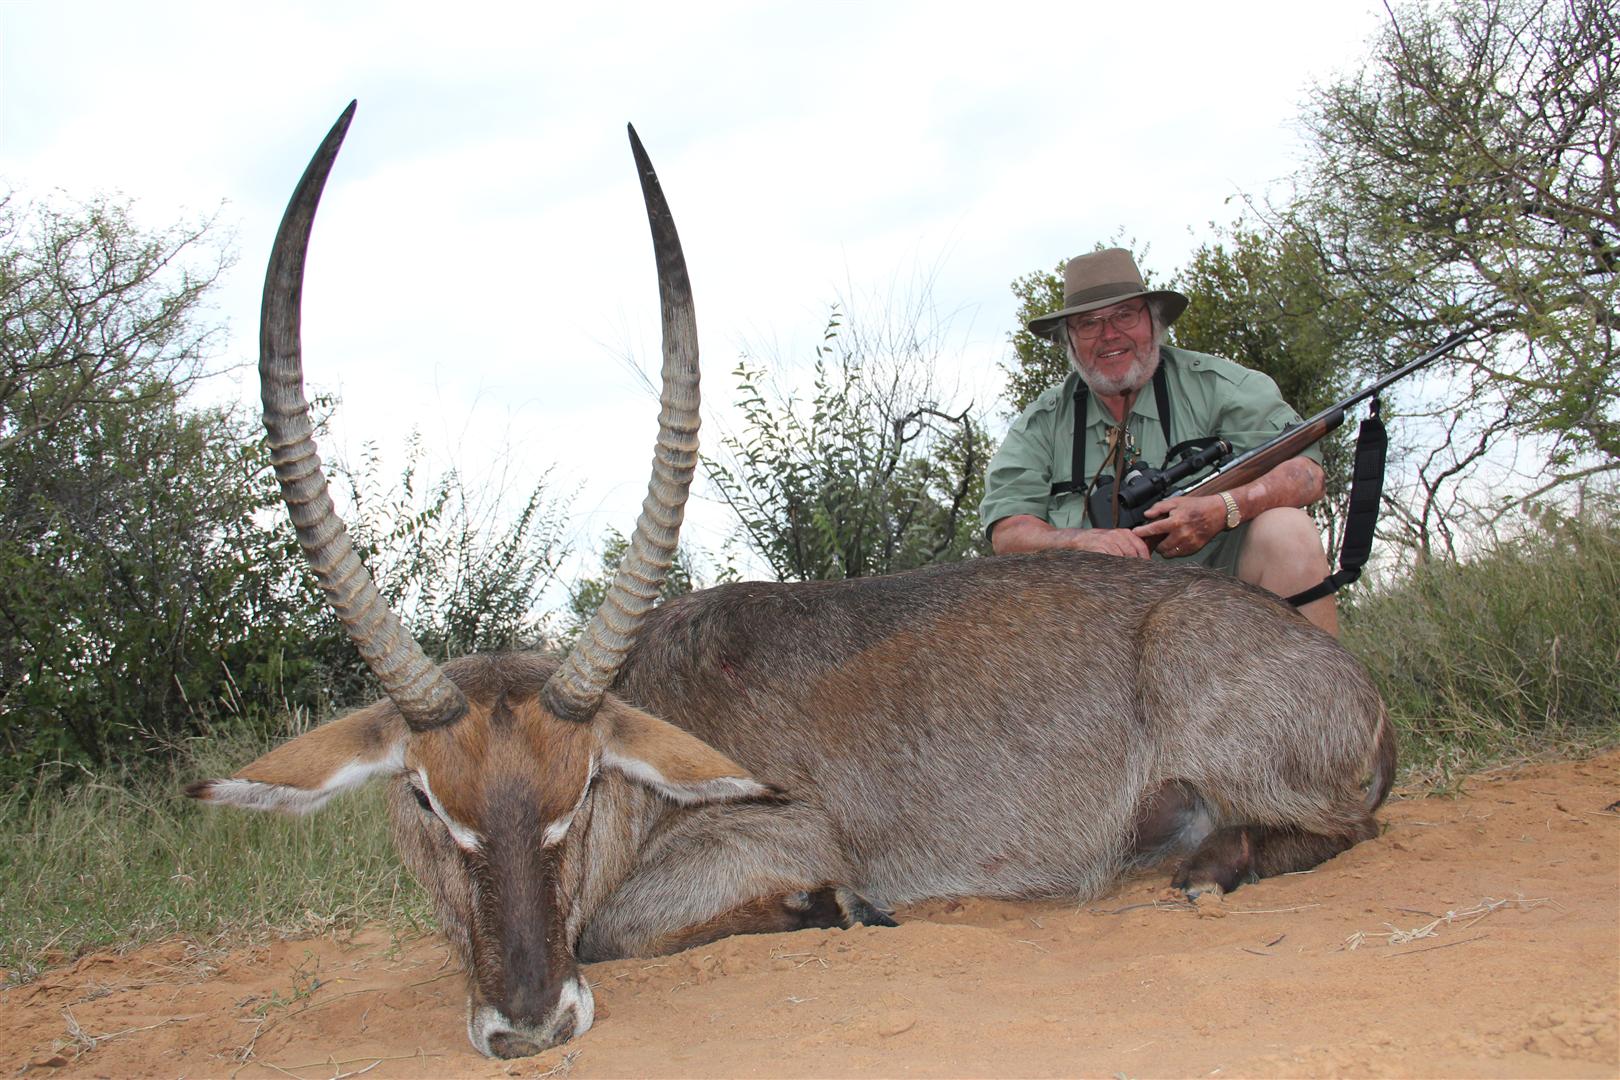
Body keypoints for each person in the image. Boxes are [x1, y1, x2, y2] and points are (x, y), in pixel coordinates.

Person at [980, 247, 1339, 636]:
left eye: (1125, 315)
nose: (1109, 335)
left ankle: (1319, 678)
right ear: (1070, 337)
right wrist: (1081, 543)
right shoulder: (1041, 422)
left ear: (1153, 320)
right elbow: (1009, 531)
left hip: (1228, 597)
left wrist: (1224, 508)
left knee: (1288, 531)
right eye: (1088, 324)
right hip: (1093, 624)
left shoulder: (1221, 386)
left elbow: (1306, 475)